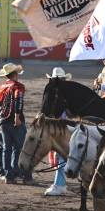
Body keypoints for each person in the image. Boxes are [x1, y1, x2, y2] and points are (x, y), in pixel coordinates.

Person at [0, 63, 27, 184]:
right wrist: (17, 117)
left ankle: (7, 174)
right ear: (15, 74)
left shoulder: (0, 88)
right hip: (15, 121)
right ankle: (14, 171)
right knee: (18, 148)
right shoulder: (18, 86)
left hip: (3, 122)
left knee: (6, 148)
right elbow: (18, 101)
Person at [44, 67, 72, 196]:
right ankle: (60, 182)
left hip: (59, 128)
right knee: (61, 155)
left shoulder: (51, 92)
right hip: (65, 127)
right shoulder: (65, 92)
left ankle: (59, 184)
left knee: (60, 155)